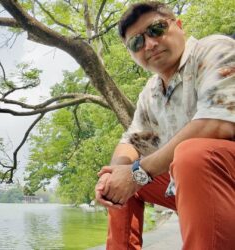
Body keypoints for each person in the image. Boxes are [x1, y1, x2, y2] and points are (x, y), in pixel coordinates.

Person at [94, 1, 235, 249]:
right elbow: (131, 142)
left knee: (192, 154)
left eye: (156, 29)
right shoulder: (151, 92)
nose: (149, 44)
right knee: (118, 178)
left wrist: (138, 174)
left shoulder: (214, 49)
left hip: (224, 176)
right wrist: (116, 176)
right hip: (189, 184)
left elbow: (216, 124)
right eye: (137, 42)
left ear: (178, 26)